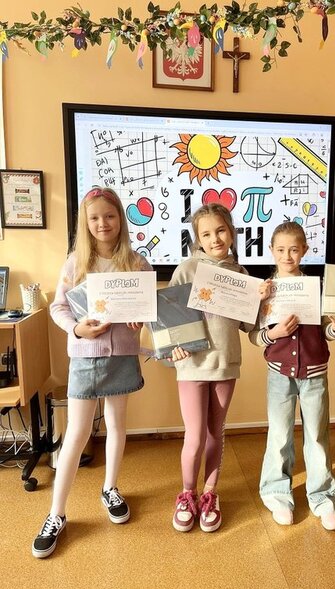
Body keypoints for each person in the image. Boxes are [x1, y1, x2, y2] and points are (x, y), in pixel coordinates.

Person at [32, 187, 152, 558]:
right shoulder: (75, 263)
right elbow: (59, 308)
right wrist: (77, 329)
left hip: (123, 357)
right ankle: (56, 513)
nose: (103, 223)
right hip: (85, 357)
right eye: (95, 217)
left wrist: (140, 319)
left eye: (110, 216)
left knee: (117, 424)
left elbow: (147, 310)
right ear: (85, 222)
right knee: (77, 433)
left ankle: (110, 488)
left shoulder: (137, 263)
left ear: (121, 219)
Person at [168, 203, 269, 533]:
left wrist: (262, 300)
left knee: (215, 432)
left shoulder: (241, 275)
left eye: (221, 230)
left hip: (225, 364)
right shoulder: (187, 270)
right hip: (192, 366)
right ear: (197, 239)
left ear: (232, 232)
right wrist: (172, 348)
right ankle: (187, 494)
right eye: (207, 234)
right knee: (195, 435)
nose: (215, 239)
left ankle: (210, 493)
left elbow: (249, 325)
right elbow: (170, 318)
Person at [249, 221, 335, 530]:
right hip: (279, 375)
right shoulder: (264, 291)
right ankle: (276, 495)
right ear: (271, 251)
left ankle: (323, 498)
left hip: (314, 374)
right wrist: (274, 333)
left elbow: (326, 332)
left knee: (317, 437)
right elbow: (254, 336)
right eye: (281, 250)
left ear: (304, 250)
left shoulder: (317, 288)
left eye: (294, 250)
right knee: (279, 435)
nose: (287, 256)